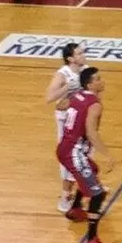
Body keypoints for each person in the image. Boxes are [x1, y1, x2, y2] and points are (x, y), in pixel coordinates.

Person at [56, 67, 118, 243]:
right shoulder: (94, 103)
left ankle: (75, 209)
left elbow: (60, 106)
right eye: (98, 79)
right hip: (73, 151)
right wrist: (108, 155)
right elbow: (91, 132)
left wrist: (70, 94)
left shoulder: (78, 96)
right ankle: (92, 242)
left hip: (64, 147)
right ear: (90, 84)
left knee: (92, 169)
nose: (102, 81)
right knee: (97, 194)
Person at [44, 43, 88, 214]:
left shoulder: (86, 70)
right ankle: (65, 196)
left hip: (81, 118)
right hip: (66, 120)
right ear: (70, 58)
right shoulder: (63, 74)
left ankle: (85, 186)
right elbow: (49, 98)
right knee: (70, 156)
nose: (84, 55)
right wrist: (67, 87)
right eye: (80, 53)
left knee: (84, 153)